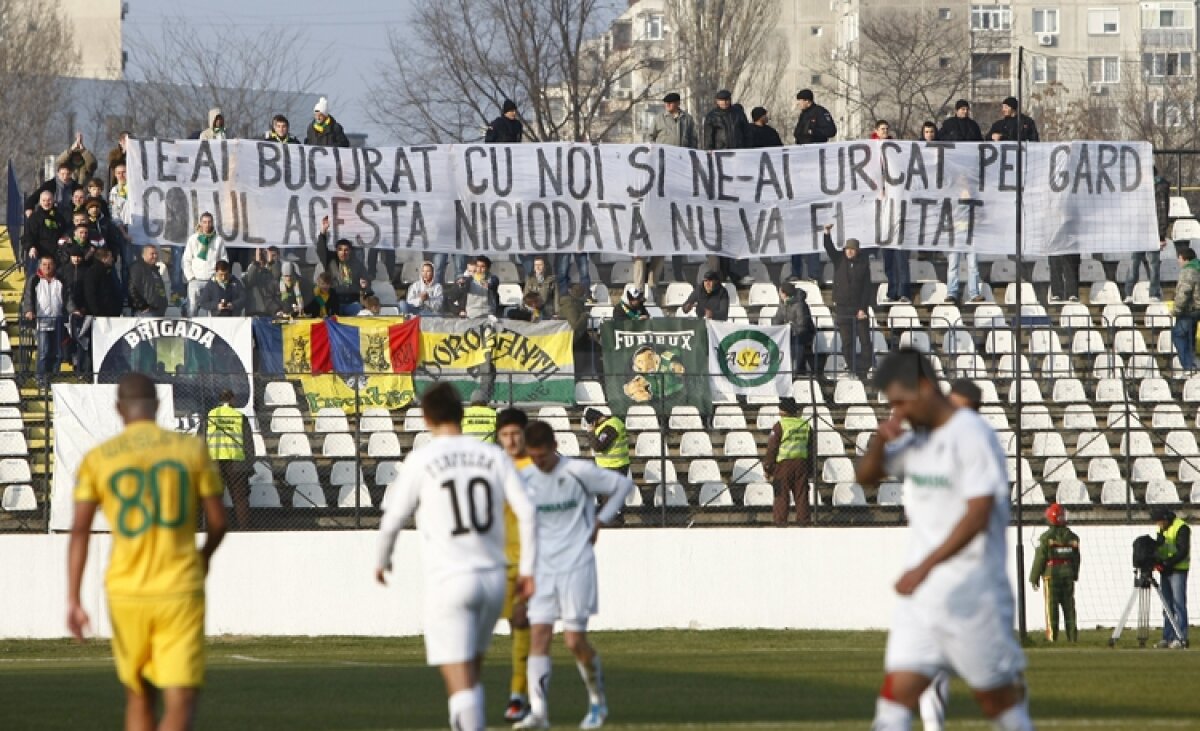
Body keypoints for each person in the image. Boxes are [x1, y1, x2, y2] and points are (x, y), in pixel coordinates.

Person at [855, 349, 1032, 731]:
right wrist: (880, 441)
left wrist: (924, 567)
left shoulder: (972, 435)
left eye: (901, 402)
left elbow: (978, 513)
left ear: (924, 387)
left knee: (1000, 706)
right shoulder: (917, 442)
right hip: (922, 603)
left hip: (974, 597)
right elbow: (866, 477)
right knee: (893, 703)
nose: (898, 412)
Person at [67, 373, 227, 731]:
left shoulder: (97, 459)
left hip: (125, 591)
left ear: (118, 409)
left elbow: (79, 532)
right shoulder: (191, 450)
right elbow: (218, 522)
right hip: (179, 587)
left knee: (138, 695)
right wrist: (203, 558)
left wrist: (74, 599)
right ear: (156, 405)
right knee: (181, 699)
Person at [375, 382, 536, 731]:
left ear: (426, 418)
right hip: (493, 579)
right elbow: (527, 512)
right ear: (462, 414)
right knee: (471, 672)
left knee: (459, 679)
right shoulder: (492, 456)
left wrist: (382, 559)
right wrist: (528, 570)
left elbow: (394, 517)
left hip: (450, 579)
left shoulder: (422, 459)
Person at [514, 421, 634, 730]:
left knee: (573, 640)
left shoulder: (578, 472)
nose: (539, 462)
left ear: (554, 447)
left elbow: (622, 486)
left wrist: (600, 521)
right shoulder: (525, 479)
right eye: (533, 456)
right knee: (539, 636)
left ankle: (597, 702)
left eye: (543, 456)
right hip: (543, 568)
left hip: (577, 565)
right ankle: (538, 712)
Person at [494, 408, 535, 723]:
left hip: (530, 563)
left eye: (515, 434)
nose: (510, 440)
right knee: (514, 628)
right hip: (498, 563)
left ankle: (518, 697)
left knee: (522, 625)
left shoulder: (537, 469)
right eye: (505, 435)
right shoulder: (494, 470)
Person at [643, 91, 696, 284]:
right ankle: (657, 272)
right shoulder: (659, 119)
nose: (667, 105)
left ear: (677, 103)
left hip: (680, 169)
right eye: (666, 103)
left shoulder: (687, 120)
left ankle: (678, 270)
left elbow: (693, 140)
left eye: (670, 103)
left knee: (678, 227)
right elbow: (649, 137)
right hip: (663, 167)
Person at [198, 390, 254, 530]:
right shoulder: (240, 417)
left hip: (213, 461)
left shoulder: (209, 416)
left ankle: (212, 529)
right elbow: (248, 443)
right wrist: (249, 464)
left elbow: (200, 441)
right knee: (240, 499)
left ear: (219, 400)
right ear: (232, 400)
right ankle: (245, 530)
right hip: (236, 461)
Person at [824, 224, 874, 377]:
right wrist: (827, 233)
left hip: (859, 308)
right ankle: (852, 368)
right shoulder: (838, 259)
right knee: (847, 342)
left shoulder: (864, 264)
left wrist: (863, 309)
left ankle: (866, 368)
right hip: (842, 308)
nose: (849, 251)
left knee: (865, 340)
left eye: (852, 249)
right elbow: (829, 248)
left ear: (857, 251)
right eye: (847, 249)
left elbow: (867, 288)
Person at [1029, 503, 1080, 643]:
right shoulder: (1073, 538)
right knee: (1069, 607)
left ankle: (1052, 637)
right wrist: (1074, 574)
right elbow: (1076, 558)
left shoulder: (1046, 538)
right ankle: (1072, 637)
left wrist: (1034, 577)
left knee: (1051, 607)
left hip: (1051, 575)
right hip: (1068, 575)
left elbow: (1040, 558)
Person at [764, 397, 813, 527]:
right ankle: (804, 522)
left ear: (783, 411)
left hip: (783, 465)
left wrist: (768, 468)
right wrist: (810, 469)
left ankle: (781, 523)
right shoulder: (806, 425)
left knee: (781, 495)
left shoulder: (780, 425)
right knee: (802, 495)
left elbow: (772, 448)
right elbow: (811, 448)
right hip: (802, 464)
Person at [1126, 168, 1170, 303]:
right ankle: (1129, 293)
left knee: (1153, 264)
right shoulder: (1138, 187)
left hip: (1152, 231)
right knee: (1134, 263)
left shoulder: (1159, 188)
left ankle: (1153, 293)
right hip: (1138, 230)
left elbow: (1162, 212)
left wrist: (1161, 235)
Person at [22, 255, 66, 388]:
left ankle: (52, 377)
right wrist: (29, 310)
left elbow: (67, 298)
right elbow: (28, 297)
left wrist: (73, 310)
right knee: (43, 352)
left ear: (54, 266)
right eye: (44, 264)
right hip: (41, 322)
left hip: (58, 321)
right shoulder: (34, 280)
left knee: (58, 353)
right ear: (40, 266)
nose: (47, 267)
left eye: (50, 264)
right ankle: (41, 379)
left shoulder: (60, 280)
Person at [1152, 506, 1190, 648]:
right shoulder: (1161, 529)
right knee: (1167, 605)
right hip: (1166, 570)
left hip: (1178, 569)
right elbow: (1160, 547)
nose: (1158, 524)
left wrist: (1167, 563)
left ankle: (1181, 637)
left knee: (1178, 604)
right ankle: (1167, 637)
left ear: (1166, 519)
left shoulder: (1181, 527)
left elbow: (1183, 551)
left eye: (1160, 521)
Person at [320, 218, 371, 316]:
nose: (343, 252)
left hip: (352, 302)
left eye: (346, 250)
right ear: (336, 251)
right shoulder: (331, 261)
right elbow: (321, 250)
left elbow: (366, 281)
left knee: (362, 314)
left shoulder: (357, 264)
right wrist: (323, 232)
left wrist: (364, 284)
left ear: (350, 251)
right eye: (340, 250)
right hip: (335, 301)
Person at [182, 212, 227, 316]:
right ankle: (191, 326)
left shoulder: (218, 240)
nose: (207, 225)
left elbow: (223, 260)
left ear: (212, 223)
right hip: (195, 279)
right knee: (192, 309)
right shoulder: (193, 239)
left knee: (214, 308)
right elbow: (186, 260)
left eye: (209, 222)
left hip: (212, 280)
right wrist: (191, 277)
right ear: (200, 223)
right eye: (204, 222)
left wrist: (218, 277)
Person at [773, 281, 816, 374]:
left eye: (780, 291)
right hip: (790, 332)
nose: (779, 294)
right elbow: (778, 318)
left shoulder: (800, 304)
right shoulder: (783, 303)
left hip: (804, 333)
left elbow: (802, 324)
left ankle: (795, 370)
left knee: (796, 341)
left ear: (784, 293)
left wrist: (790, 329)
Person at [1172, 246, 1199, 372]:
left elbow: (1184, 292)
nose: (1178, 261)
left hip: (1190, 309)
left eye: (1179, 258)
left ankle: (1188, 366)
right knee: (1190, 337)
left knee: (1178, 335)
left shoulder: (1188, 271)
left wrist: (1176, 310)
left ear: (1184, 258)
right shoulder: (1198, 267)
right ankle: (1192, 363)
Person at [584, 408, 629, 477]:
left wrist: (591, 432)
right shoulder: (615, 421)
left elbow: (598, 446)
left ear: (594, 422)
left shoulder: (609, 428)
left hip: (614, 466)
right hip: (616, 465)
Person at [129, 246, 168, 317]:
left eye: (156, 253)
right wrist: (142, 306)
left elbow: (160, 289)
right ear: (144, 255)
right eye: (152, 254)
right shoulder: (137, 267)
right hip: (145, 312)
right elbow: (132, 289)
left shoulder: (155, 270)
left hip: (158, 310)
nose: (155, 256)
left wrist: (164, 304)